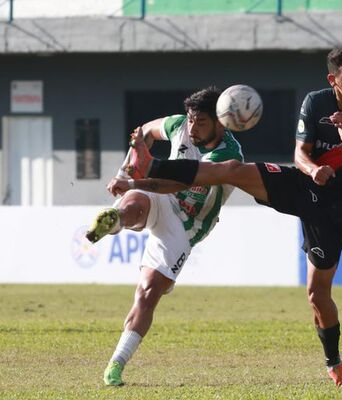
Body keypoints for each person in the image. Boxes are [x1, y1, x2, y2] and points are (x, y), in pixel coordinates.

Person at [110, 47, 342, 388]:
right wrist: (312, 169)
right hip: (302, 184)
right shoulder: (316, 102)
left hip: (333, 211)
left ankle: (334, 365)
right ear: (332, 79)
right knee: (233, 170)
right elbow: (300, 153)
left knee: (317, 295)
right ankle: (151, 169)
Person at [85, 87, 244, 386]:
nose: (193, 127)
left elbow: (176, 182)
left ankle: (116, 363)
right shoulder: (178, 125)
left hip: (186, 226)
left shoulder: (228, 155)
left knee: (148, 292)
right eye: (191, 119)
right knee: (134, 202)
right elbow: (143, 131)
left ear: (220, 123)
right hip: (159, 197)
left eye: (201, 122)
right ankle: (115, 219)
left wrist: (135, 177)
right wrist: (129, 165)